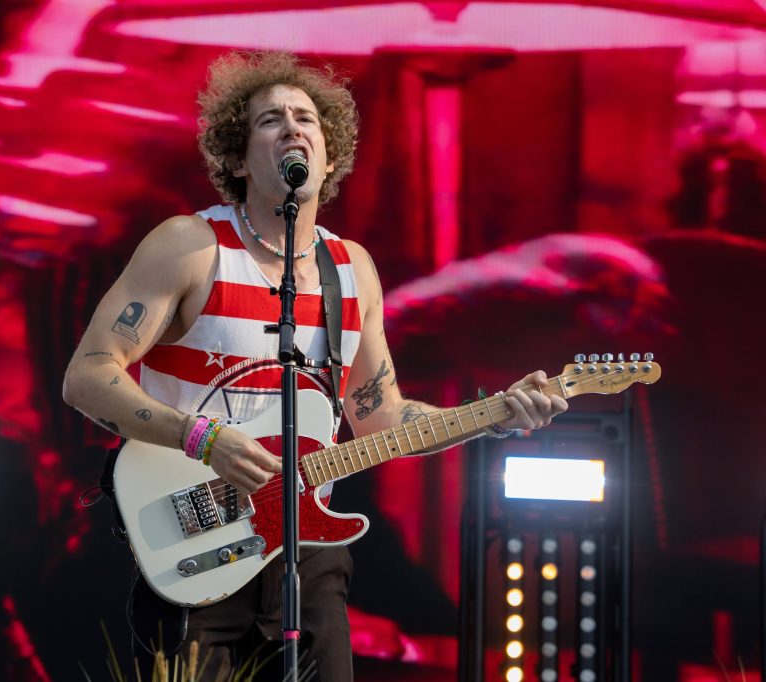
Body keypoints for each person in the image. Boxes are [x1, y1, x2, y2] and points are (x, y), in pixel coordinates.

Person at [62, 50, 568, 682]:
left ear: (329, 158)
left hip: (308, 552)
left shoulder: (353, 270)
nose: (292, 129)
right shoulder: (190, 245)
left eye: (306, 119)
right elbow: (88, 375)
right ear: (238, 159)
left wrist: (494, 416)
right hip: (199, 541)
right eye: (270, 120)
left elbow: (382, 417)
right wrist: (203, 438)